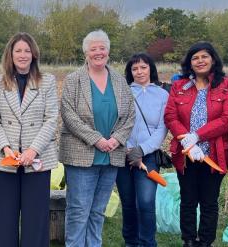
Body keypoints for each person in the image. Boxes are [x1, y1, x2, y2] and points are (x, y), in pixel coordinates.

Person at [59, 30, 135, 247]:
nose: (98, 52)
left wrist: (116, 139)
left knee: (98, 210)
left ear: (108, 51)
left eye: (102, 48)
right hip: (82, 155)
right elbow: (69, 115)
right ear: (86, 53)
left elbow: (130, 115)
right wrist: (96, 139)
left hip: (111, 156)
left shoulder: (120, 81)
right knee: (78, 210)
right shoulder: (74, 80)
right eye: (94, 49)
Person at [164, 41, 228, 247]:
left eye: (204, 56)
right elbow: (170, 116)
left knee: (209, 202)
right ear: (190, 63)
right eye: (195, 58)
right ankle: (188, 240)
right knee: (187, 201)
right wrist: (186, 140)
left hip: (214, 155)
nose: (200, 61)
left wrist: (197, 136)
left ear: (213, 59)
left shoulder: (225, 85)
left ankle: (205, 241)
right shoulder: (179, 86)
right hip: (185, 155)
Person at [0, 32, 58, 247]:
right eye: (18, 50)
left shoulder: (47, 82)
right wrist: (5, 148)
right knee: (6, 219)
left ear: (34, 54)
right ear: (10, 54)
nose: (23, 54)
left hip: (37, 161)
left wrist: (33, 150)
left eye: (27, 50)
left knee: (35, 219)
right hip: (6, 159)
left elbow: (51, 118)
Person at [116, 53, 168, 247]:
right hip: (123, 156)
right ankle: (131, 242)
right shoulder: (123, 93)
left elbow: (162, 127)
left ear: (150, 69)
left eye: (143, 67)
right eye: (134, 68)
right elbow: (117, 123)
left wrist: (142, 150)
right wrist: (128, 149)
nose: (139, 72)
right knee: (128, 203)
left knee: (145, 203)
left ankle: (147, 242)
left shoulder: (162, 94)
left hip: (148, 157)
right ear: (130, 72)